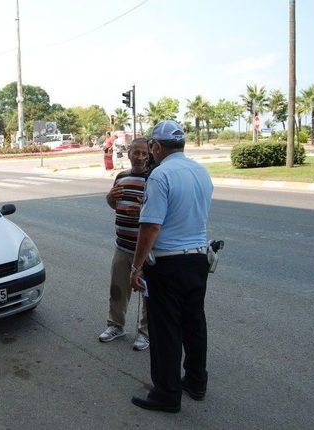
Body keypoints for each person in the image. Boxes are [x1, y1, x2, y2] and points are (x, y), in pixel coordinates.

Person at [129, 120, 213, 413]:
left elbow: (151, 226)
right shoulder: (200, 172)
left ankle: (166, 393)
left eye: (151, 146)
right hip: (198, 259)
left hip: (168, 264)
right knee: (194, 324)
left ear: (157, 147)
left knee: (165, 330)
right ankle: (195, 381)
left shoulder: (160, 175)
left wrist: (136, 267)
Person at [99, 138, 150, 350]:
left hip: (146, 249)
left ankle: (145, 333)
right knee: (118, 289)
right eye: (135, 152)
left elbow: (161, 214)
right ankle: (115, 325)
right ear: (128, 153)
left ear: (149, 155)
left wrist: (143, 212)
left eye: (143, 154)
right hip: (122, 246)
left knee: (148, 293)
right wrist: (110, 197)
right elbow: (113, 204)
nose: (139, 157)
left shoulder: (154, 178)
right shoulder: (121, 176)